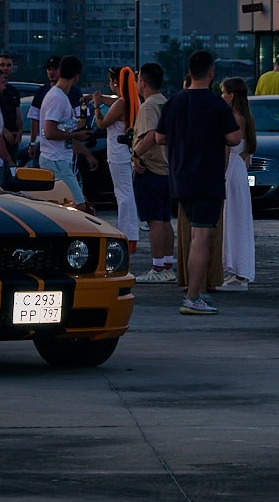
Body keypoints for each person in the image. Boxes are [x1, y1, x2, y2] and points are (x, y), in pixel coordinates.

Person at [137, 50, 240, 316]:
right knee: (201, 238)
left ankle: (194, 293)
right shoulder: (218, 105)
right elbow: (235, 137)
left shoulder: (174, 101)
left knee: (192, 235)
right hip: (208, 179)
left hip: (180, 178)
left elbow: (159, 138)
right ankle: (194, 296)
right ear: (212, 72)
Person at [128, 63, 176, 281]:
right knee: (165, 220)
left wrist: (136, 154)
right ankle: (167, 264)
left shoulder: (148, 107)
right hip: (166, 169)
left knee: (154, 220)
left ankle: (157, 268)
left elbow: (150, 136)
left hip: (151, 168)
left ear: (143, 82)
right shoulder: (165, 102)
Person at [218, 77, 258, 291]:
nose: (221, 96)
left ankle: (234, 270)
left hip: (230, 171)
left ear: (231, 96)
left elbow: (225, 150)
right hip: (240, 170)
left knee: (230, 220)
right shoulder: (247, 117)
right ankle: (240, 270)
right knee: (239, 220)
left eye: (223, 92)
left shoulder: (231, 117)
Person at [35, 55, 90, 204]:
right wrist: (75, 135)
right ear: (77, 76)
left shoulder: (59, 96)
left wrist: (83, 108)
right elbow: (50, 131)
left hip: (59, 159)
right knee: (78, 204)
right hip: (55, 160)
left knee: (65, 205)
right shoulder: (57, 98)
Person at [100, 66, 143, 250]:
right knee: (127, 193)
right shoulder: (132, 101)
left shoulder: (121, 103)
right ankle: (130, 233)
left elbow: (103, 123)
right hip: (125, 153)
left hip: (117, 154)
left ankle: (127, 233)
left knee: (123, 195)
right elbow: (114, 102)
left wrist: (95, 105)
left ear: (114, 82)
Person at [0, 53, 24, 154]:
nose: (5, 68)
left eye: (8, 65)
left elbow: (18, 115)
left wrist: (20, 131)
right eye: (2, 65)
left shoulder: (13, 91)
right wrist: (4, 131)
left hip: (13, 140)